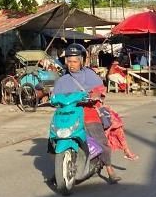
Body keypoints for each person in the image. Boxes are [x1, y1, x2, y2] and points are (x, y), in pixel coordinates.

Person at [51, 43, 121, 183]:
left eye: (75, 61)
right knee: (54, 138)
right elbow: (55, 94)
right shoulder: (63, 79)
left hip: (87, 112)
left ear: (82, 61)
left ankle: (109, 169)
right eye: (69, 61)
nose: (71, 64)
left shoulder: (90, 75)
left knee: (100, 141)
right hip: (68, 113)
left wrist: (96, 95)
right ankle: (59, 167)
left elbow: (100, 90)